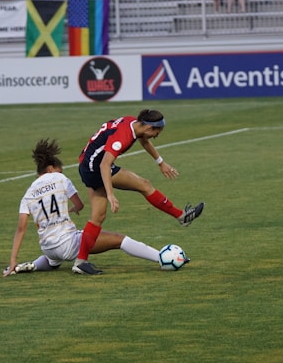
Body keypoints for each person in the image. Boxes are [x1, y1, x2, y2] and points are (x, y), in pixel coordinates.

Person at [3, 139, 179, 277]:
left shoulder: (29, 192)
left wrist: (12, 259)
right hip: (68, 243)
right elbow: (80, 204)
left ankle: (29, 265)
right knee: (119, 240)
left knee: (53, 260)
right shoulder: (60, 179)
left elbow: (21, 228)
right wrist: (73, 208)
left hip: (47, 247)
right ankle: (162, 258)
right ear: (51, 169)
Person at [74, 110, 205, 275]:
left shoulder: (134, 124)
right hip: (95, 168)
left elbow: (144, 141)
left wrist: (160, 162)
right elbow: (104, 165)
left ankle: (80, 262)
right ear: (149, 127)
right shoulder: (123, 137)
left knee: (98, 217)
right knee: (144, 185)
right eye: (157, 132)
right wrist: (110, 194)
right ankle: (181, 216)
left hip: (88, 164)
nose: (157, 136)